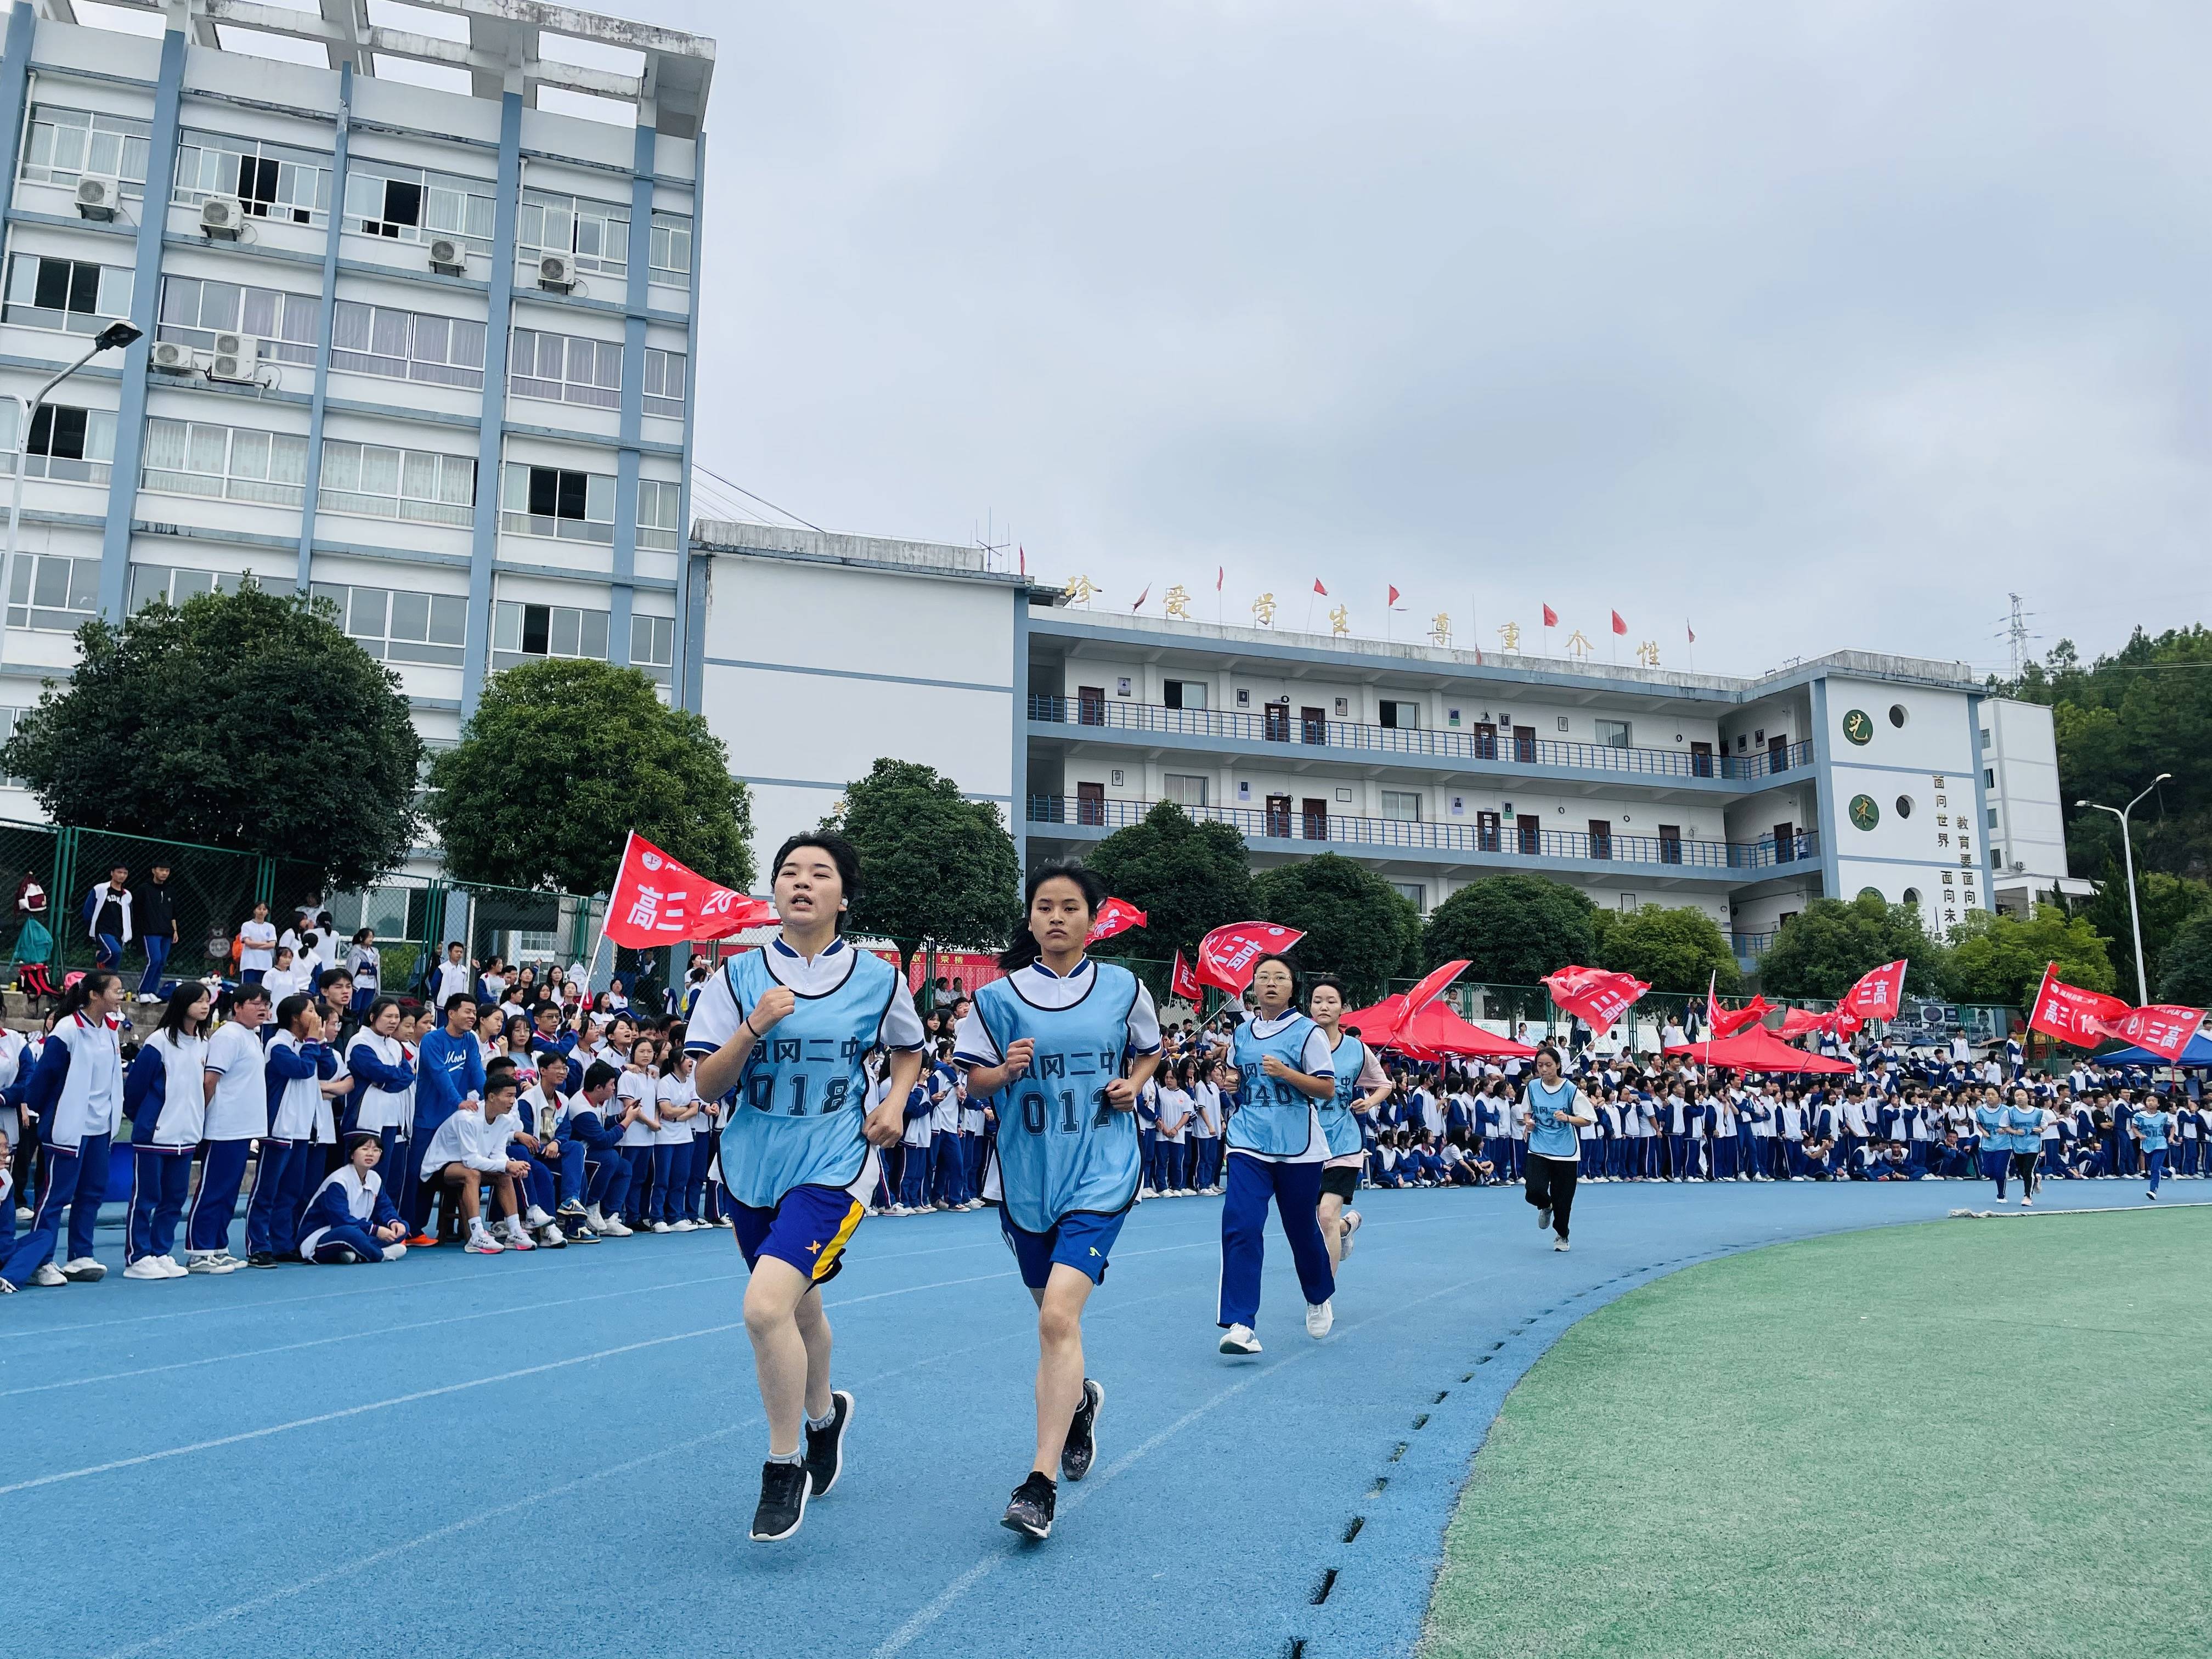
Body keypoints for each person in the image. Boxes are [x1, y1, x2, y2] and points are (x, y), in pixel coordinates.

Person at [689, 832, 924, 1544]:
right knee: (800, 1309)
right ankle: (826, 1419)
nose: (802, 882)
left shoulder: (879, 978)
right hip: (751, 1167)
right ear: (775, 892)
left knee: (765, 1309)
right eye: (789, 872)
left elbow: (909, 1049)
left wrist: (894, 1101)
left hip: (834, 1165)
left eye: (819, 873)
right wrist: (753, 1028)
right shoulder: (735, 977)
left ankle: (782, 1462)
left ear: (842, 897)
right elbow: (705, 1084)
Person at [954, 863, 1162, 1541]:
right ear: (1031, 918)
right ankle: (1079, 1405)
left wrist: (1133, 1084)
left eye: (1070, 907)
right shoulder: (997, 999)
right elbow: (972, 1088)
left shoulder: (1126, 988)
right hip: (1028, 1177)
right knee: (1052, 1319)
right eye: (1044, 906)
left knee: (1055, 1321)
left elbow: (1149, 1054)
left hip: (1102, 1169)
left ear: (1091, 918)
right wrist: (1003, 1072)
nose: (1056, 917)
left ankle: (1037, 1485)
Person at [1216, 954, 1338, 1355]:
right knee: (1241, 1224)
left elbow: (1325, 1089)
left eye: (1279, 977)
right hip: (1249, 1140)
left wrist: (1287, 1074)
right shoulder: (1242, 1033)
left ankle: (1318, 1295)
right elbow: (1236, 1076)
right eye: (1262, 976)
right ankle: (1240, 1324)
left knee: (1300, 1229)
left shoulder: (1308, 1033)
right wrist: (1231, 1082)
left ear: (1292, 987)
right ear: (1253, 986)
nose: (1270, 983)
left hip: (1297, 1146)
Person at [0, 970, 125, 1291]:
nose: (121, 996)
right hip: (68, 1126)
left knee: (92, 1193)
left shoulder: (111, 1030)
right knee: (55, 1196)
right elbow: (43, 1078)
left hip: (100, 1128)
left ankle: (80, 1254)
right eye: (116, 990)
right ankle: (41, 1261)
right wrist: (48, 1114)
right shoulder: (68, 1029)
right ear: (94, 995)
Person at [122, 984, 212, 1278]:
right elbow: (135, 1087)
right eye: (199, 1001)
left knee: (174, 1199)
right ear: (183, 1004)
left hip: (186, 1135)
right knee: (146, 1197)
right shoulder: (159, 1041)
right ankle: (138, 1256)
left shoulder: (202, 1041)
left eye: (207, 1001)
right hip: (155, 1134)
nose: (205, 1006)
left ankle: (161, 1252)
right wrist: (145, 1119)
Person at [184, 983, 272, 1271]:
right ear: (237, 1007)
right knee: (214, 1189)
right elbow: (210, 1080)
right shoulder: (228, 1036)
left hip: (243, 1127)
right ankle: (199, 1251)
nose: (263, 1009)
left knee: (229, 1192)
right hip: (223, 1126)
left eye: (266, 1004)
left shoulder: (252, 1037)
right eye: (256, 1003)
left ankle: (218, 1246)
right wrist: (202, 1116)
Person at [1311, 978, 1392, 1272]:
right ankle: (1346, 1228)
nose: (1324, 1006)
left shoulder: (1356, 1050)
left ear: (1343, 1008)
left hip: (1344, 1142)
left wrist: (1369, 1103)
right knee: (1313, 1220)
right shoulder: (1297, 1044)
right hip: (1304, 1144)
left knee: (1326, 1215)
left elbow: (1384, 1084)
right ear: (1310, 1006)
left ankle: (1323, 1296)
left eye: (1331, 1001)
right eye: (1318, 1000)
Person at [248, 995, 336, 1267]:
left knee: (291, 1191)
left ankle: (282, 1243)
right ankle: (258, 1245)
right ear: (296, 1018)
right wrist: (312, 1042)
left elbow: (329, 1069)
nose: (317, 1016)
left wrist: (320, 1041)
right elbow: (302, 1069)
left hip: (301, 1129)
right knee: (267, 1190)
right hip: (279, 1128)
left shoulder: (306, 1044)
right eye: (311, 1011)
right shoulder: (278, 1045)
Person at [418, 1069, 537, 1254]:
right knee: (472, 1174)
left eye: (515, 1096)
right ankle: (477, 1235)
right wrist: (506, 1164)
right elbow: (471, 1160)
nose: (514, 1101)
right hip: (439, 1168)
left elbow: (498, 1154)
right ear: (491, 1097)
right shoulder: (467, 1119)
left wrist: (510, 1167)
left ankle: (515, 1231)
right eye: (509, 1096)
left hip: (469, 1165)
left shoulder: (505, 1120)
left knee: (504, 1175)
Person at [1521, 1046, 1594, 1251]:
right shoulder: (1533, 1087)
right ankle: (1545, 1205)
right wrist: (1529, 1123)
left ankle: (1562, 1235)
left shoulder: (1571, 1090)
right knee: (1533, 1190)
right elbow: (1526, 1112)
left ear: (1559, 1065)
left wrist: (1568, 1118)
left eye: (1548, 1065)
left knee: (1564, 1200)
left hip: (1566, 1151)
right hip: (1539, 1147)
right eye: (1540, 1065)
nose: (1544, 1069)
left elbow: (1588, 1119)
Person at [297, 1131, 409, 1263]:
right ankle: (381, 1254)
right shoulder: (338, 1181)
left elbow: (385, 1208)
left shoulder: (375, 1179)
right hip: (322, 1236)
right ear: (352, 1154)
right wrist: (375, 1230)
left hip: (357, 1231)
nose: (370, 1154)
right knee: (351, 1234)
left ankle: (355, 1253)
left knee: (403, 1227)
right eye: (365, 1149)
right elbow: (340, 1220)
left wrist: (394, 1222)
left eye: (376, 1150)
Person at [132, 864, 179, 1003]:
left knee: (162, 963)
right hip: (151, 931)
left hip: (167, 932)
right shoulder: (144, 889)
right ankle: (143, 991)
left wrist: (175, 931)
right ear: (154, 870)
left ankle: (152, 991)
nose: (164, 873)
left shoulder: (170, 890)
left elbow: (174, 913)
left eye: (167, 871)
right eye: (161, 870)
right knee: (155, 959)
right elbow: (137, 910)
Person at [2132, 1095, 2175, 1200]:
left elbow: (2172, 1126)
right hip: (2147, 1144)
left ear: (2158, 1104)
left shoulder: (2164, 1116)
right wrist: (2139, 1135)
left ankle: (2153, 1191)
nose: (2150, 1103)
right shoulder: (2139, 1116)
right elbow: (2134, 1127)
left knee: (2155, 1169)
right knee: (2153, 1167)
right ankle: (2169, 1172)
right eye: (2148, 1101)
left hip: (2160, 1144)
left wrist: (2171, 1137)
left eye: (2153, 1101)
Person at [238, 902, 277, 988]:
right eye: (259, 909)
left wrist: (254, 944)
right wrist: (265, 943)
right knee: (247, 990)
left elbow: (272, 945)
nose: (262, 911)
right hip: (249, 964)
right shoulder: (246, 925)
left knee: (263, 991)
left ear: (268, 912)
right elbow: (248, 943)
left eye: (264, 909)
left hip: (265, 964)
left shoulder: (270, 927)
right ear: (254, 910)